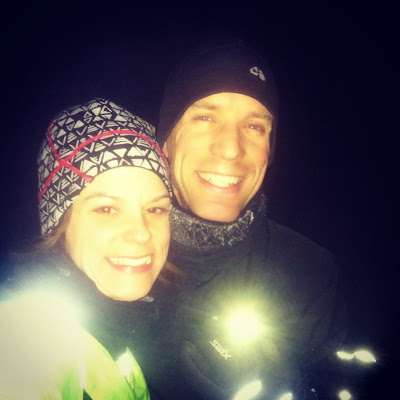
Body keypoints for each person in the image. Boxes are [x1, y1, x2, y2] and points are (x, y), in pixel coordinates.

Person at [147, 40, 348, 399]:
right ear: (166, 139)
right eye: (205, 118)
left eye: (255, 126)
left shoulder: (311, 275)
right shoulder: (115, 257)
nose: (230, 148)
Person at [0, 98, 171, 399]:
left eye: (155, 209)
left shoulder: (121, 326)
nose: (142, 233)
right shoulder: (23, 345)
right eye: (106, 209)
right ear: (60, 223)